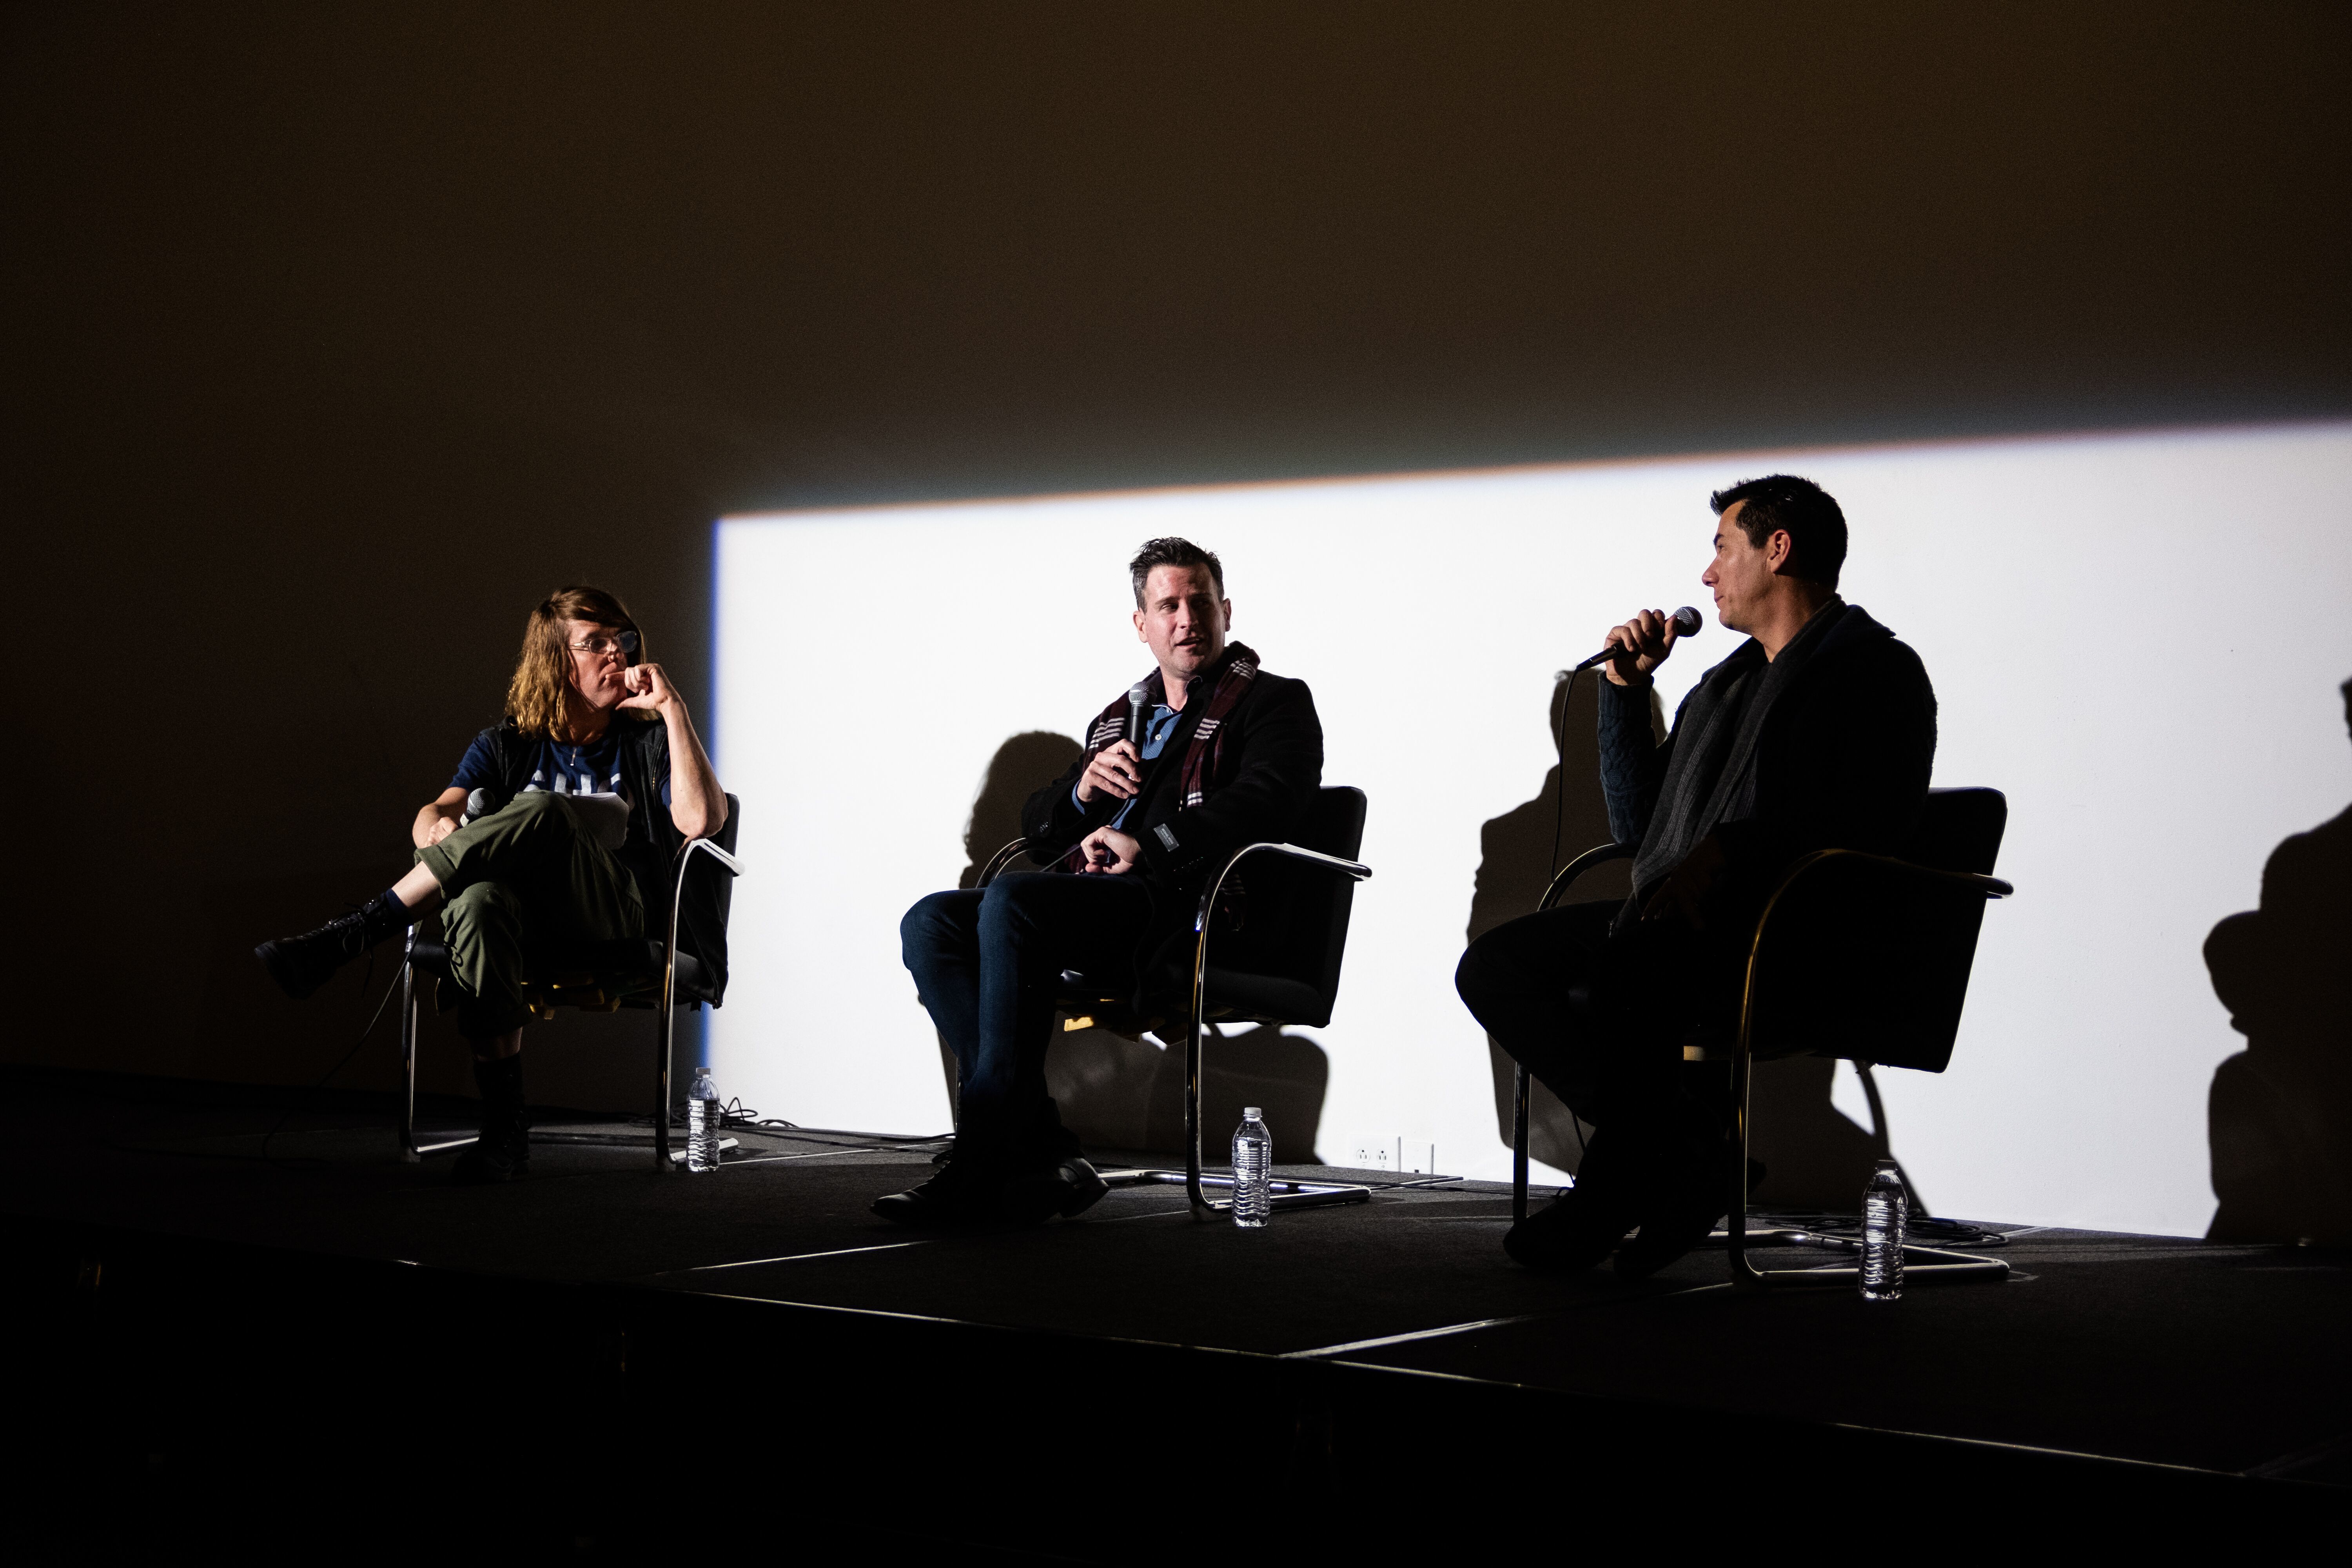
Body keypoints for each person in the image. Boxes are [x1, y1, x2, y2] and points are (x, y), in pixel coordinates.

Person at [1455, 475, 1935, 1276]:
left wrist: (1731, 852)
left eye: (1723, 547)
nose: (1707, 574)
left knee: (1633, 965)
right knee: (1499, 966)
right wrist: (1627, 688)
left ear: (1777, 549)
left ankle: (1616, 1187)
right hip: (1691, 921)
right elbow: (1640, 827)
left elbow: (1856, 823)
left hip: (1801, 934)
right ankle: (1684, 1150)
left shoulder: (1874, 670)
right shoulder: (1725, 686)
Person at [882, 537, 1324, 1227]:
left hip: (1190, 913)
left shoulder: (1273, 704)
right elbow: (1042, 821)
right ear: (1141, 624)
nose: (1187, 619)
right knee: (931, 921)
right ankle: (1041, 1148)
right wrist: (1084, 797)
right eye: (1168, 605)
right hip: (1102, 909)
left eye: (1200, 602)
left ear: (1226, 610)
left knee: (1017, 898)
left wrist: (1147, 846)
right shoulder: (1124, 718)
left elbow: (1269, 801)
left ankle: (989, 1152)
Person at [255, 586, 727, 1182]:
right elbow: (434, 815)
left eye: (622, 642)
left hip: (610, 911)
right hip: (520, 919)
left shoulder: (647, 740)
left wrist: (674, 711)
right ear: (556, 661)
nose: (618, 655)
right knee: (477, 903)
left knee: (546, 812)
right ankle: (505, 1131)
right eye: (596, 644)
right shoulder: (505, 745)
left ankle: (353, 934)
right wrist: (440, 825)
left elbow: (701, 822)